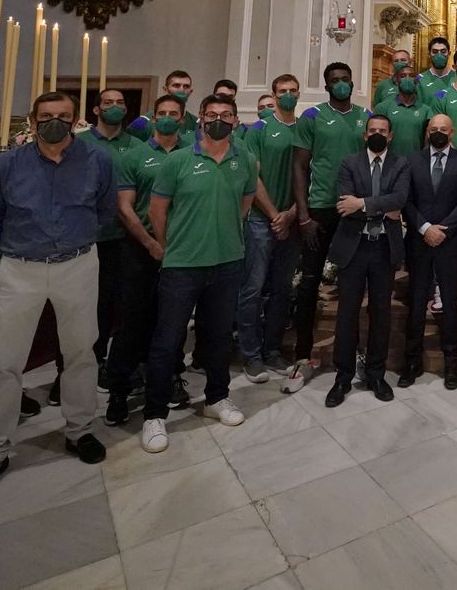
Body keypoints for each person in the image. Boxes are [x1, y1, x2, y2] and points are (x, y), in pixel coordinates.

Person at [0, 91, 117, 501]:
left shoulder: (98, 160)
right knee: (6, 361)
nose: (55, 122)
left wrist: (74, 238)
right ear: (32, 122)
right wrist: (24, 245)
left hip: (77, 263)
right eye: (46, 116)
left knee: (81, 351)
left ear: (76, 121)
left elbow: (105, 212)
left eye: (64, 116)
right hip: (21, 267)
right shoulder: (8, 165)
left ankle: (80, 429)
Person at [138, 95, 256, 452]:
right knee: (168, 339)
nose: (219, 120)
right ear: (201, 119)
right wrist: (169, 245)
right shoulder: (177, 160)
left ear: (235, 120)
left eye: (226, 114)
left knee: (218, 336)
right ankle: (154, 414)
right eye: (212, 114)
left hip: (227, 261)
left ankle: (217, 397)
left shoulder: (245, 159)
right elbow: (158, 210)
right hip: (183, 264)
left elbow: (244, 204)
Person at [105, 93, 192, 424]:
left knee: (173, 321)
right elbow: (124, 206)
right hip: (140, 249)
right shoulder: (135, 156)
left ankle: (170, 376)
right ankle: (119, 388)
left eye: (173, 113)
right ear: (154, 118)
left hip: (181, 249)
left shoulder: (192, 154)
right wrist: (150, 242)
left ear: (182, 119)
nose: (167, 117)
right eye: (162, 113)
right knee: (132, 320)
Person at [289, 63, 370, 390]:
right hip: (320, 209)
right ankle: (302, 355)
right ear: (327, 87)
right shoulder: (312, 117)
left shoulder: (365, 117)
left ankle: (353, 352)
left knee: (354, 285)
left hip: (353, 209)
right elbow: (299, 167)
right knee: (309, 283)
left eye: (345, 80)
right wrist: (303, 215)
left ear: (352, 82)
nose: (340, 84)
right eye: (334, 81)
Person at [325, 115, 410, 406]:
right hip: (354, 246)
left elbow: (399, 199)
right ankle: (343, 376)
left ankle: (376, 373)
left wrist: (361, 203)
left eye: (382, 131)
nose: (377, 134)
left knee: (380, 312)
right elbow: (343, 202)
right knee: (347, 312)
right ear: (364, 135)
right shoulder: (350, 163)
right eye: (372, 130)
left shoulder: (401, 164)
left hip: (384, 247)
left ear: (391, 136)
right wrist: (381, 207)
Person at [76, 89, 147, 383]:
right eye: (108, 103)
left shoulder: (137, 145)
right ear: (96, 110)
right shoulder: (79, 143)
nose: (115, 107)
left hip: (126, 237)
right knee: (84, 307)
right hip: (88, 237)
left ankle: (110, 363)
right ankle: (74, 369)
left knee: (119, 304)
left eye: (120, 103)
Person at [401, 115, 457, 389]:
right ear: (427, 132)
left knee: (451, 304)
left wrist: (443, 229)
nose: (438, 133)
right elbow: (406, 200)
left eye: (443, 129)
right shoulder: (412, 160)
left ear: (452, 132)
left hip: (449, 241)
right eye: (434, 129)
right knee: (417, 302)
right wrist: (424, 228)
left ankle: (451, 362)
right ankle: (412, 361)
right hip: (419, 241)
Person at [238, 76, 302, 382]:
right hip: (261, 220)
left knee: (282, 289)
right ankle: (251, 354)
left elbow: (312, 175)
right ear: (274, 96)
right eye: (282, 92)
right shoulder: (259, 130)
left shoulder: (305, 128)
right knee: (253, 288)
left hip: (293, 220)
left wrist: (291, 214)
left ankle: (272, 349)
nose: (288, 95)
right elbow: (253, 176)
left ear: (299, 94)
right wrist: (276, 215)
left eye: (292, 91)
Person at [373, 64, 432, 154]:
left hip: (415, 160)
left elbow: (427, 142)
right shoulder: (382, 108)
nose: (407, 79)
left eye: (411, 76)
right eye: (403, 76)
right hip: (389, 161)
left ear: (416, 81)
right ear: (397, 81)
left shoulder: (426, 110)